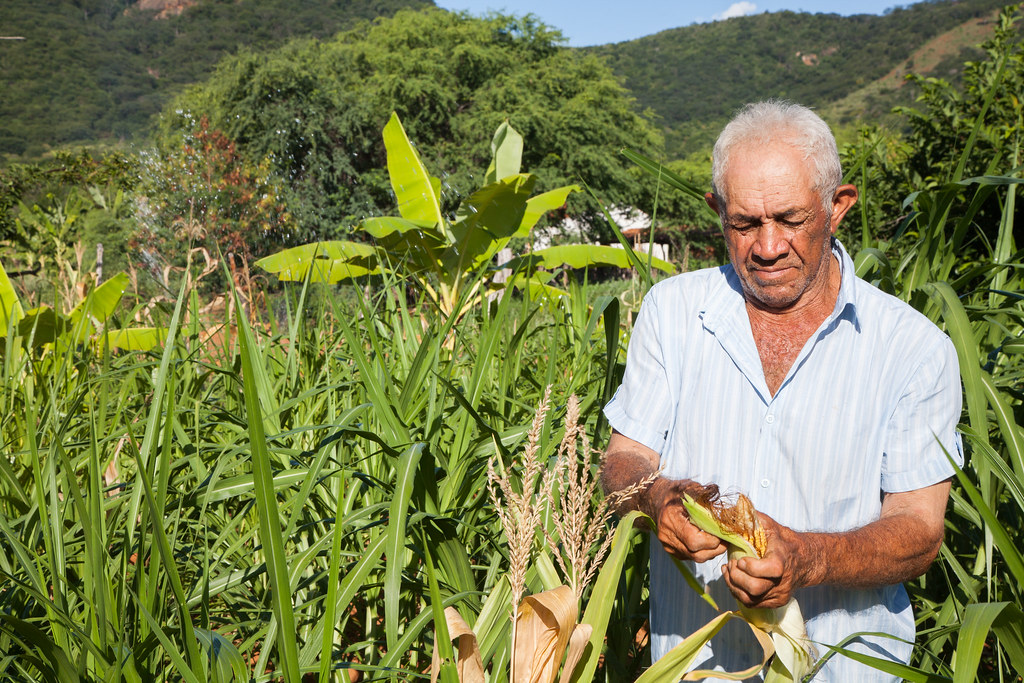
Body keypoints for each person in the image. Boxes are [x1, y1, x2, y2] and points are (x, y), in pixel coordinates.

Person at [600, 100, 963, 681]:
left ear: (837, 207)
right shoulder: (671, 314)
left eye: (790, 220)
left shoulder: (913, 349)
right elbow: (623, 461)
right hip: (695, 666)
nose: (767, 247)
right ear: (717, 210)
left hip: (846, 669)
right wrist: (657, 500)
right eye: (744, 223)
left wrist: (808, 558)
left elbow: (919, 533)